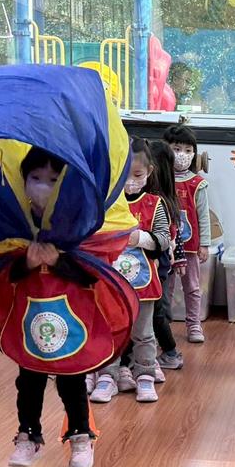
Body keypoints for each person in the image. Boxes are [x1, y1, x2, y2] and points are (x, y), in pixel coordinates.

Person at [8, 148, 95, 467]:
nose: (43, 187)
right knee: (28, 378)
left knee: (72, 377)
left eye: (53, 180)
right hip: (29, 317)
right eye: (35, 178)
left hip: (71, 316)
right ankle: (27, 435)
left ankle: (80, 436)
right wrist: (27, 264)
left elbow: (93, 273)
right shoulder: (14, 222)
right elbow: (2, 272)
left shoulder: (80, 221)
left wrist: (59, 262)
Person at [91, 138, 170, 404]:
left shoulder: (154, 203)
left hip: (143, 282)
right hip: (111, 282)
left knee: (144, 333)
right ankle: (107, 376)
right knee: (111, 330)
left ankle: (145, 375)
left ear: (149, 172)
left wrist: (138, 238)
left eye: (137, 175)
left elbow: (164, 239)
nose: (130, 182)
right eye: (123, 176)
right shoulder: (106, 203)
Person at [164, 124, 210, 344]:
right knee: (166, 287)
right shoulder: (160, 179)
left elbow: (203, 216)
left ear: (194, 154)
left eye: (188, 150)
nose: (182, 154)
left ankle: (194, 324)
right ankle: (163, 325)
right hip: (166, 245)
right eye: (176, 148)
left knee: (192, 287)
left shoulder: (197, 184)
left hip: (190, 246)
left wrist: (205, 244)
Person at [149, 140, 186, 371]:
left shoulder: (157, 200)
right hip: (158, 262)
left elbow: (172, 234)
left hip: (156, 262)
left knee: (156, 309)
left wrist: (176, 255)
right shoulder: (166, 197)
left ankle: (171, 352)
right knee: (158, 306)